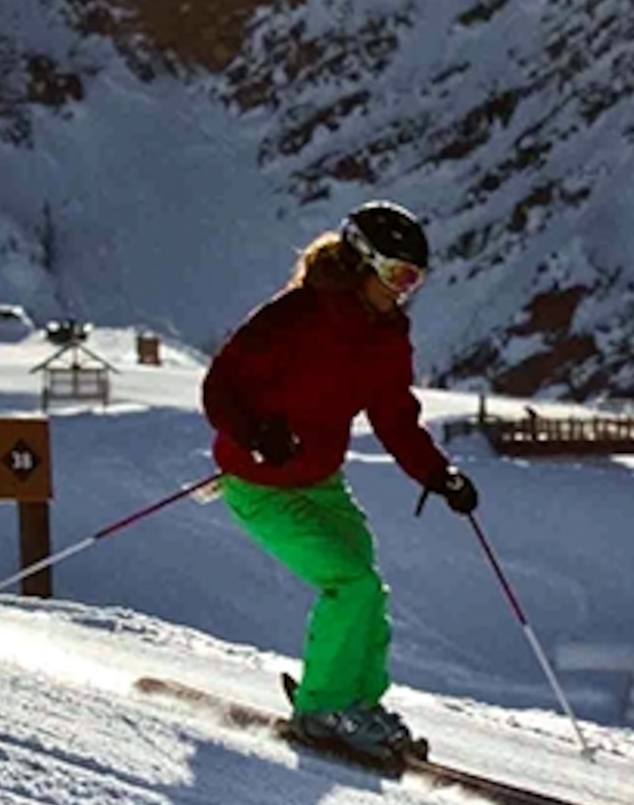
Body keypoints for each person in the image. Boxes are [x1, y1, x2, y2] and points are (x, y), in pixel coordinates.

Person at [200, 199, 477, 761]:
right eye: (399, 275)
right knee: (351, 584)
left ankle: (357, 702)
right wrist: (256, 435)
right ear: (362, 263)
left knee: (367, 589)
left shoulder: (385, 335)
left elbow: (394, 415)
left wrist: (437, 475)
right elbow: (220, 387)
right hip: (260, 483)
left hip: (321, 481)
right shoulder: (294, 317)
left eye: (415, 280)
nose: (404, 290)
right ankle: (322, 708)